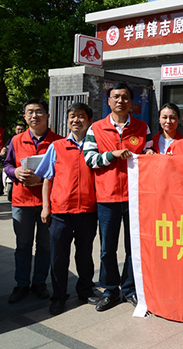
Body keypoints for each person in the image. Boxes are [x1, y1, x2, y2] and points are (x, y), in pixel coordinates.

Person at [83, 82, 153, 311]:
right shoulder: (96, 128)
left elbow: (149, 155)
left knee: (133, 247)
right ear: (109, 101)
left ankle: (130, 289)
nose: (120, 101)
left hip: (135, 197)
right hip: (107, 197)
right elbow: (89, 159)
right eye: (116, 97)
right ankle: (110, 290)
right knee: (107, 248)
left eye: (125, 97)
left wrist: (149, 154)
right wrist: (112, 155)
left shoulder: (142, 128)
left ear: (131, 102)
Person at [35, 103, 99, 315]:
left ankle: (85, 290)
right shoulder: (57, 146)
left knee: (85, 255)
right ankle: (58, 296)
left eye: (81, 116)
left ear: (89, 120)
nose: (76, 120)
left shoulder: (95, 147)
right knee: (58, 257)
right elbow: (47, 178)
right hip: (60, 212)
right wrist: (46, 207)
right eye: (72, 116)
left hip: (87, 211)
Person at [3, 99, 62, 304]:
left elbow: (63, 170)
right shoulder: (16, 140)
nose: (34, 115)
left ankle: (39, 283)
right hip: (22, 202)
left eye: (39, 111)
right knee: (23, 245)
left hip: (48, 202)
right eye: (30, 112)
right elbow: (7, 164)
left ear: (47, 115)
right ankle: (21, 284)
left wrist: (44, 178)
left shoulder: (58, 142)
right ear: (25, 117)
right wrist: (15, 172)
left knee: (45, 245)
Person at [3, 124, 26, 201]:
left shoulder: (27, 139)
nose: (20, 131)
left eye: (22, 129)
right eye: (18, 129)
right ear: (15, 130)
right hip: (13, 166)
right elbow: (5, 148)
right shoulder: (12, 139)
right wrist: (3, 151)